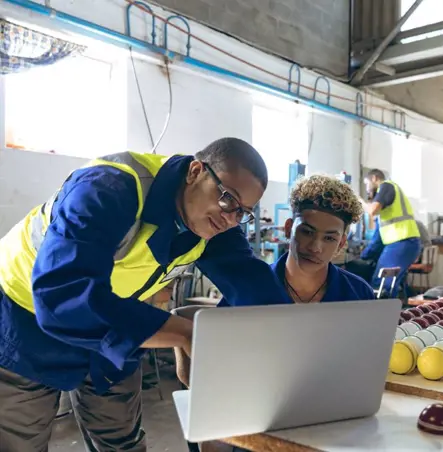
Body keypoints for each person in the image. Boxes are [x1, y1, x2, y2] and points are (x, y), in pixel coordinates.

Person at [0, 138, 283, 452]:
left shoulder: (214, 224)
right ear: (194, 171)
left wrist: (294, 336)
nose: (231, 218)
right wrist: (185, 333)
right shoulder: (109, 188)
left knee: (122, 440)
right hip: (25, 315)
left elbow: (254, 285)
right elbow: (64, 294)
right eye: (228, 198)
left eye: (243, 212)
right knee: (19, 440)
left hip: (113, 316)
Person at [174, 173, 374, 383]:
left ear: (341, 243)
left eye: (330, 238)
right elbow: (215, 369)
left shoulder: (358, 294)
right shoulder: (250, 288)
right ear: (289, 229)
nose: (316, 247)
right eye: (306, 232)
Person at [360, 169, 421, 297]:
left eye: (367, 183)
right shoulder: (388, 207)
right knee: (391, 284)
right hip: (405, 243)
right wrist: (366, 254)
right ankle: (392, 315)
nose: (367, 188)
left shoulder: (386, 186)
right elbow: (379, 237)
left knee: (381, 285)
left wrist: (358, 201)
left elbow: (372, 210)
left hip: (402, 242)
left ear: (375, 178)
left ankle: (379, 316)